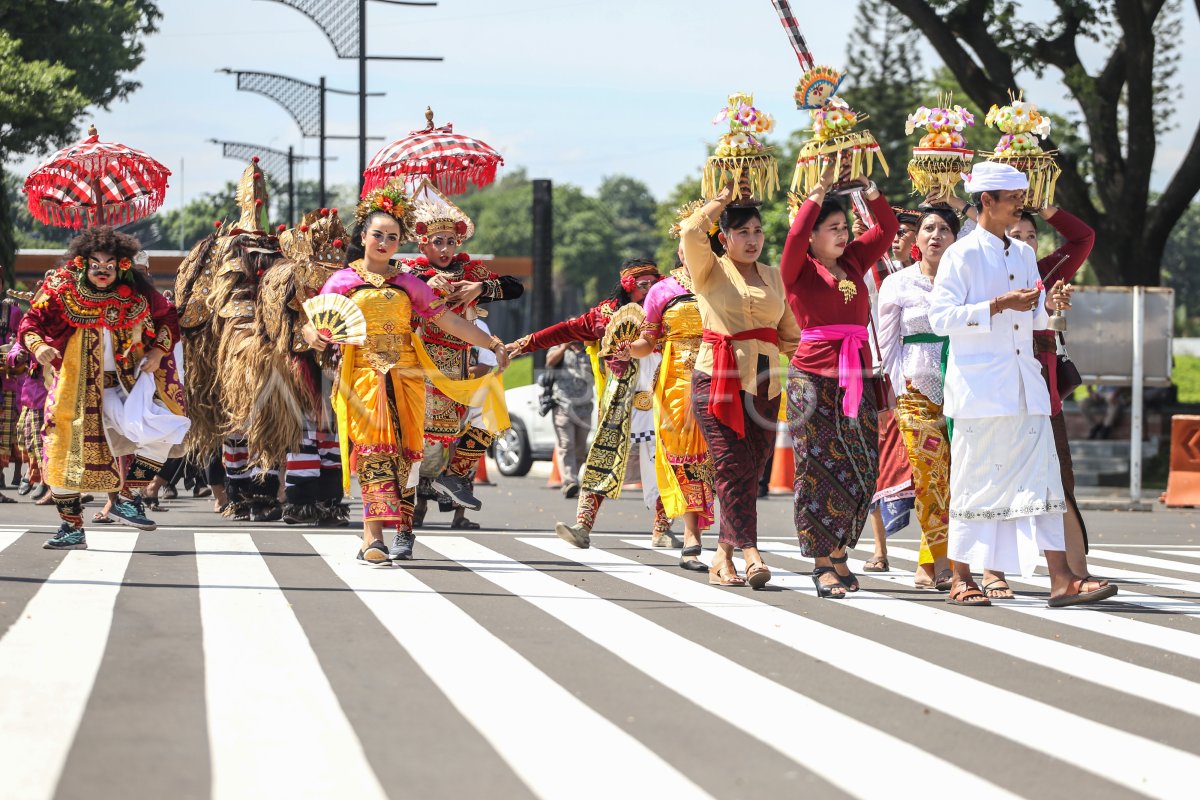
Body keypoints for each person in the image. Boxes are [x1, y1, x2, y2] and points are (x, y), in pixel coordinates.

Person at [926, 161, 1117, 607]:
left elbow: (1030, 321)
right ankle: (961, 577)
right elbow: (941, 319)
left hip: (1025, 386)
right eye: (1012, 197)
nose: (1019, 204)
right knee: (974, 482)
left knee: (1045, 481)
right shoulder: (961, 254)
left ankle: (1062, 578)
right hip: (981, 390)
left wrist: (1047, 303)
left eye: (1020, 196)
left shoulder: (1024, 253)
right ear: (986, 201)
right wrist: (996, 304)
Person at [302, 182, 509, 566]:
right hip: (363, 378)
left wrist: (492, 343)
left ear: (400, 243)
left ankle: (388, 534)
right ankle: (374, 536)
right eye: (377, 235)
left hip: (408, 377)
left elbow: (447, 320)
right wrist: (315, 336)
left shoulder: (406, 282)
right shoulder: (343, 281)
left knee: (405, 457)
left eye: (392, 237)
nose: (384, 242)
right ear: (363, 236)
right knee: (373, 452)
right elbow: (313, 323)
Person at [18, 226, 190, 549]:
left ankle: (127, 496)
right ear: (83, 263)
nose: (102, 270)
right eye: (95, 263)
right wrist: (38, 346)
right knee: (59, 455)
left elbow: (168, 318)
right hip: (75, 391)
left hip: (122, 389)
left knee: (167, 429)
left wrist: (156, 351)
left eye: (110, 264)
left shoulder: (136, 292)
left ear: (121, 265)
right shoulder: (62, 289)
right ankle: (71, 527)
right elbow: (30, 323)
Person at [781, 162, 897, 598]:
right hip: (811, 380)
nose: (843, 233)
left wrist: (866, 186)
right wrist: (819, 191)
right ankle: (822, 562)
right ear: (812, 233)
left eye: (844, 226)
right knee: (815, 469)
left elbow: (884, 229)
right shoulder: (798, 268)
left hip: (859, 376)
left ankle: (840, 547)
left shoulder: (853, 260)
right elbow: (793, 237)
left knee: (863, 466)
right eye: (831, 227)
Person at [680, 183, 802, 589]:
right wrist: (723, 199)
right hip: (716, 379)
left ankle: (723, 555)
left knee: (751, 470)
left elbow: (790, 334)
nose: (752, 240)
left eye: (758, 232)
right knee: (732, 464)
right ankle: (751, 552)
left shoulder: (773, 277)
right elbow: (689, 232)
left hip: (766, 385)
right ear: (726, 237)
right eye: (742, 232)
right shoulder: (709, 269)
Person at [508, 260, 674, 550]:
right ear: (628, 286)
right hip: (619, 400)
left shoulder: (668, 310)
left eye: (653, 283)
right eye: (642, 284)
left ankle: (662, 528)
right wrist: (524, 344)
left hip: (661, 395)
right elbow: (565, 330)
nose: (649, 290)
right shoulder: (605, 314)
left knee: (663, 463)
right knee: (601, 459)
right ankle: (582, 527)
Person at [402, 180, 524, 544]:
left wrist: (481, 289)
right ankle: (407, 515)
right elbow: (398, 284)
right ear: (422, 242)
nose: (444, 248)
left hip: (462, 368)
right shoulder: (411, 270)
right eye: (437, 241)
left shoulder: (471, 272)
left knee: (490, 412)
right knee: (418, 446)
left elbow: (515, 286)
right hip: (420, 368)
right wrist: (426, 280)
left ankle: (454, 478)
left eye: (451, 241)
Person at [877, 206, 960, 590]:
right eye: (928, 228)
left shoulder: (967, 281)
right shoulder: (898, 284)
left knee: (958, 479)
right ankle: (943, 564)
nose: (936, 235)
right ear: (916, 238)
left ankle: (932, 563)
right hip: (914, 393)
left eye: (945, 228)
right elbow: (886, 343)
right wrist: (891, 394)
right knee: (930, 479)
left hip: (964, 391)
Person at [628, 225, 716, 572]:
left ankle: (740, 540)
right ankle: (692, 535)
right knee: (687, 456)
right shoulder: (663, 290)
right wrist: (623, 346)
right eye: (685, 243)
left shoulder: (727, 281)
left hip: (723, 370)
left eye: (700, 241)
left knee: (729, 456)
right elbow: (647, 342)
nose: (690, 248)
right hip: (677, 380)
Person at [545, 341, 594, 498]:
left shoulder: (590, 350)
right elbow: (549, 362)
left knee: (580, 449)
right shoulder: (558, 348)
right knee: (566, 444)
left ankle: (573, 479)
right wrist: (564, 346)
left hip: (585, 408)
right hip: (563, 405)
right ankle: (569, 481)